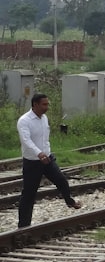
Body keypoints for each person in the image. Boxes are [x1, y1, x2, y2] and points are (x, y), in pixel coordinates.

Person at [17, 93, 81, 228]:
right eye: (44, 104)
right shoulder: (24, 120)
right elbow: (26, 140)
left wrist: (47, 152)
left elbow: (44, 139)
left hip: (48, 159)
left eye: (47, 104)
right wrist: (38, 153)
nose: (47, 107)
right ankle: (23, 226)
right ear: (35, 105)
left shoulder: (44, 118)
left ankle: (70, 201)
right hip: (32, 162)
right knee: (29, 194)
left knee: (62, 180)